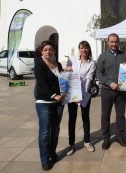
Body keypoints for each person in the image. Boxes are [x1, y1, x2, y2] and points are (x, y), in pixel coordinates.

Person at [34, 40, 65, 171]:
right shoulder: (39, 65)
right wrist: (54, 95)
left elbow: (62, 81)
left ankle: (52, 152)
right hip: (44, 102)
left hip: (58, 103)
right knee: (45, 131)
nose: (48, 51)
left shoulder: (57, 64)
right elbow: (42, 84)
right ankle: (44, 159)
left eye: (50, 49)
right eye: (45, 49)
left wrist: (66, 74)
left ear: (54, 51)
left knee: (55, 129)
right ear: (42, 51)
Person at [96, 33, 126, 150]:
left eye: (116, 42)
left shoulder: (124, 55)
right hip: (107, 91)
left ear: (118, 42)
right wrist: (110, 83)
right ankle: (106, 138)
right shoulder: (103, 56)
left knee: (120, 115)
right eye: (112, 42)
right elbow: (98, 73)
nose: (114, 44)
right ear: (107, 43)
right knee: (105, 115)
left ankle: (119, 136)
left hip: (121, 91)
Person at [66, 41, 96, 155]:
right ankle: (71, 144)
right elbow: (68, 74)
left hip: (84, 94)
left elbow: (88, 79)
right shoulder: (73, 60)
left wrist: (82, 95)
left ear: (89, 49)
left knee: (85, 117)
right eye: (82, 48)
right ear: (79, 49)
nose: (84, 50)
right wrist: (67, 69)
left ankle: (87, 142)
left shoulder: (91, 63)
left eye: (86, 48)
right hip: (72, 94)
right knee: (72, 119)